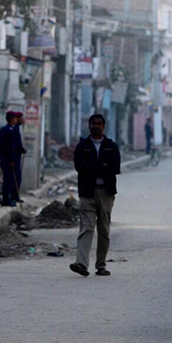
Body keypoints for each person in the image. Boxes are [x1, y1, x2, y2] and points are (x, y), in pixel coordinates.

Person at [70, 114, 121, 277]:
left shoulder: (111, 146)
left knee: (104, 230)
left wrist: (94, 167)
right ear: (89, 126)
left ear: (103, 126)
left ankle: (101, 265)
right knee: (86, 228)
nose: (96, 126)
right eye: (93, 123)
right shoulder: (82, 146)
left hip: (106, 193)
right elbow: (79, 166)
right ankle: (81, 264)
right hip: (87, 192)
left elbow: (115, 168)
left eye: (99, 123)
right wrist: (100, 167)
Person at [0, 111, 25, 206]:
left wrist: (21, 150)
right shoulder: (6, 130)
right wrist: (10, 160)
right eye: (16, 118)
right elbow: (6, 147)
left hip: (13, 158)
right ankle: (6, 199)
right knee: (8, 179)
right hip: (8, 160)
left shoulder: (12, 129)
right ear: (12, 119)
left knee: (14, 178)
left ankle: (12, 197)